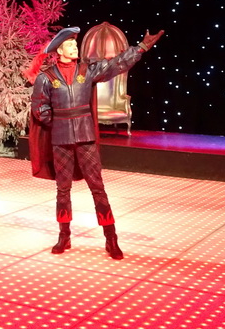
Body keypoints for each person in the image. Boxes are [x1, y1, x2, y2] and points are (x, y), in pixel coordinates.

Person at [28, 26, 163, 259]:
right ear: (60, 50)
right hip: (60, 140)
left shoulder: (87, 70)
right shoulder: (46, 77)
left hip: (85, 137)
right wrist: (58, 121)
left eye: (75, 44)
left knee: (97, 187)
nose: (75, 47)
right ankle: (64, 235)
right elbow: (39, 107)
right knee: (63, 189)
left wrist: (140, 48)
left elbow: (116, 64)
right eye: (70, 45)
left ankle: (111, 239)